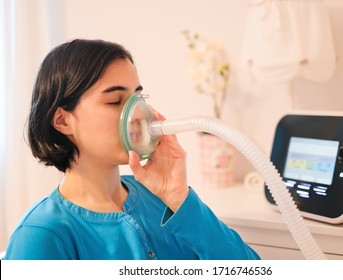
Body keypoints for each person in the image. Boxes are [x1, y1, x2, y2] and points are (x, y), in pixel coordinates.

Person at [4, 39, 260, 260]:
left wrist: (180, 199)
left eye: (138, 98)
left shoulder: (161, 198)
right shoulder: (42, 235)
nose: (137, 115)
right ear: (62, 120)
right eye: (115, 101)